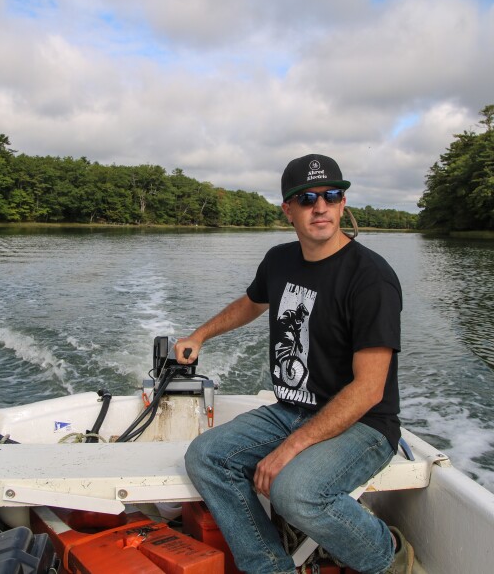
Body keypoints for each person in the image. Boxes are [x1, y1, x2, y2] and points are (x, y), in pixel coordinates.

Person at [176, 154, 413, 574]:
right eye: (306, 198)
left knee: (294, 491)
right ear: (288, 210)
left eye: (331, 195)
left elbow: (369, 389)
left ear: (342, 204)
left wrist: (293, 446)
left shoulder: (370, 278)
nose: (319, 206)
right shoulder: (280, 260)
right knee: (205, 456)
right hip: (291, 409)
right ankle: (270, 567)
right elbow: (250, 304)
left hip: (364, 424)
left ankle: (386, 552)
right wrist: (199, 335)